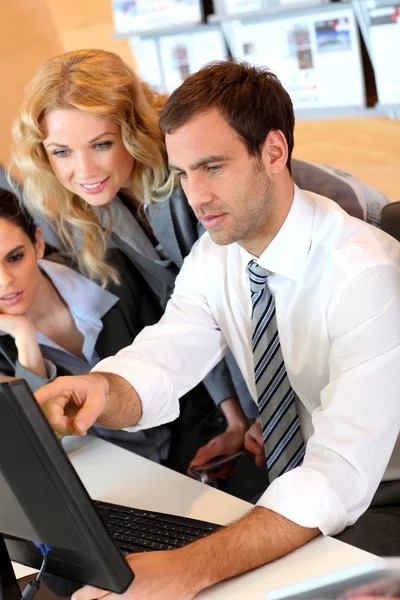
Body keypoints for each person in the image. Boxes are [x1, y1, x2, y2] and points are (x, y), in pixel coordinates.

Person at [34, 59, 400, 600]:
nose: (194, 196)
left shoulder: (365, 274)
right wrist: (101, 391)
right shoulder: (219, 253)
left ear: (274, 152)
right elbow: (168, 352)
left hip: (383, 490)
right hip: (297, 475)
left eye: (213, 167)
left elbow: (338, 475)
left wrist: (187, 569)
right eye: (183, 174)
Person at [0, 187, 176, 461]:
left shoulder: (108, 271)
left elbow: (174, 358)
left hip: (196, 453)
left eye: (14, 257)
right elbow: (41, 446)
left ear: (37, 243)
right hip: (107, 486)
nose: (5, 281)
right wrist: (25, 340)